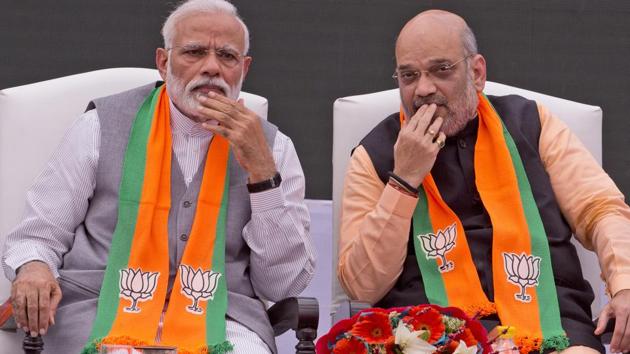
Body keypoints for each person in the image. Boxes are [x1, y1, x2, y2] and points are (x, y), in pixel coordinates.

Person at [1, 0, 315, 353]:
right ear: (163, 63)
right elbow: (38, 234)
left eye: (226, 57)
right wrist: (33, 268)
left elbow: (282, 284)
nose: (211, 68)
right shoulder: (101, 126)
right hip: (102, 307)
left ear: (244, 68)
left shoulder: (274, 149)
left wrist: (262, 173)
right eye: (194, 52)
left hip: (222, 316)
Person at [337, 9, 630, 354]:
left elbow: (601, 208)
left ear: (476, 72)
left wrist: (624, 284)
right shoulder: (375, 154)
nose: (424, 89)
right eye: (409, 75)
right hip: (431, 334)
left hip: (550, 326)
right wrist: (403, 180)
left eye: (441, 70)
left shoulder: (531, 125)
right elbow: (362, 287)